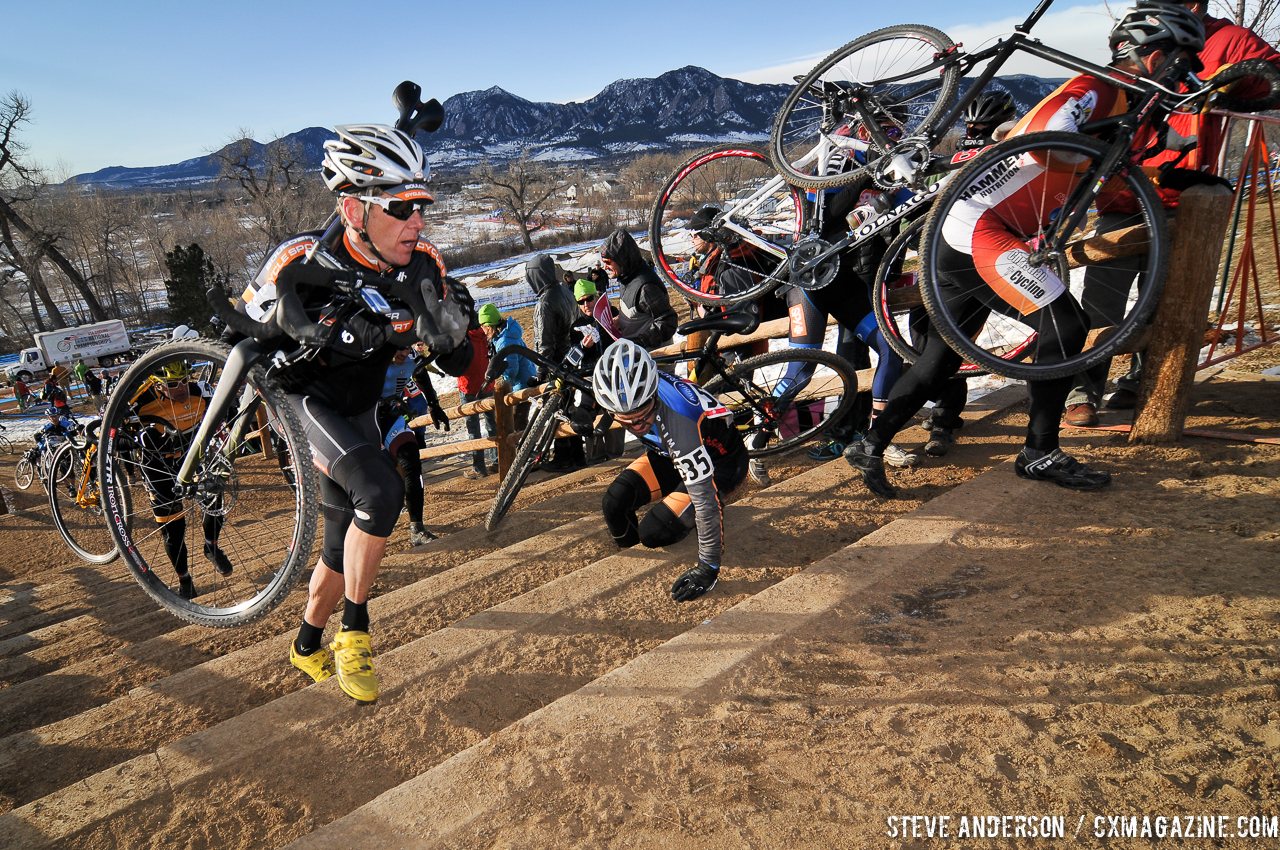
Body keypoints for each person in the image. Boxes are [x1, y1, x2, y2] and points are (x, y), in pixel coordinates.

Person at [845, 2, 1209, 497]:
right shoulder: (1095, 88)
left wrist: (1171, 171)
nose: (1187, 72)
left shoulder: (1127, 104)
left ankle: (871, 443)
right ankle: (1039, 453)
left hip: (973, 231)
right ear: (1150, 54)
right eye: (1183, 61)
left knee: (939, 359)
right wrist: (1094, 146)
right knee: (1067, 325)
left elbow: (1115, 168)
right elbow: (1047, 143)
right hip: (981, 225)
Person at [247, 122, 474, 703]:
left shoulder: (423, 262)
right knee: (380, 491)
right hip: (303, 398)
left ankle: (304, 644)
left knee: (338, 545)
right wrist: (302, 325)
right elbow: (243, 330)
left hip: (361, 406)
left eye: (422, 204)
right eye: (402, 207)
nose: (418, 220)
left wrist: (455, 337)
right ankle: (355, 631)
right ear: (353, 207)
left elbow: (460, 352)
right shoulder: (302, 257)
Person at [1064, 0, 1280, 425]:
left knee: (1163, 301)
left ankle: (1140, 383)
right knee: (1101, 298)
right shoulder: (1141, 35)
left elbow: (1272, 76)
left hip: (1190, 195)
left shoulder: (1228, 39)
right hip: (1125, 191)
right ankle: (1082, 388)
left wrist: (1231, 84)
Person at [593, 339, 747, 602]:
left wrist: (708, 568)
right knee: (613, 504)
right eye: (626, 420)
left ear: (653, 394)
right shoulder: (628, 391)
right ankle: (633, 565)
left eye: (642, 415)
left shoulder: (679, 420)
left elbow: (705, 503)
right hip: (669, 453)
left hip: (721, 463)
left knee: (653, 533)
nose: (637, 427)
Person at [127, 362, 234, 599]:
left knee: (215, 498)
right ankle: (184, 579)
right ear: (158, 384)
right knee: (174, 530)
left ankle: (211, 546)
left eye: (186, 380)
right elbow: (109, 423)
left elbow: (229, 407)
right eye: (173, 384)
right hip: (157, 467)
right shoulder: (139, 399)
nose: (182, 388)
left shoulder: (200, 391)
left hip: (190, 457)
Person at [379, 348, 446, 547]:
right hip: (363, 420)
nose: (403, 353)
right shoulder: (371, 352)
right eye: (399, 348)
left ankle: (417, 528)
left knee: (411, 462)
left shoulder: (412, 356)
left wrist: (434, 404)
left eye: (408, 348)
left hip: (391, 418)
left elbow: (421, 373)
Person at [527, 253, 586, 472]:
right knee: (568, 407)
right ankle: (577, 455)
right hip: (571, 358)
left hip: (555, 364)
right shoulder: (564, 291)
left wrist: (540, 372)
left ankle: (564, 456)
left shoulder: (545, 302)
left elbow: (544, 342)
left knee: (557, 410)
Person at [599, 229, 678, 349]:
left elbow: (668, 322)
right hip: (636, 356)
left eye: (608, 262)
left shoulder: (646, 287)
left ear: (622, 260)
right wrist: (620, 320)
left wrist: (640, 342)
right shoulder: (625, 277)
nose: (605, 267)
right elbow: (638, 312)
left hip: (654, 360)